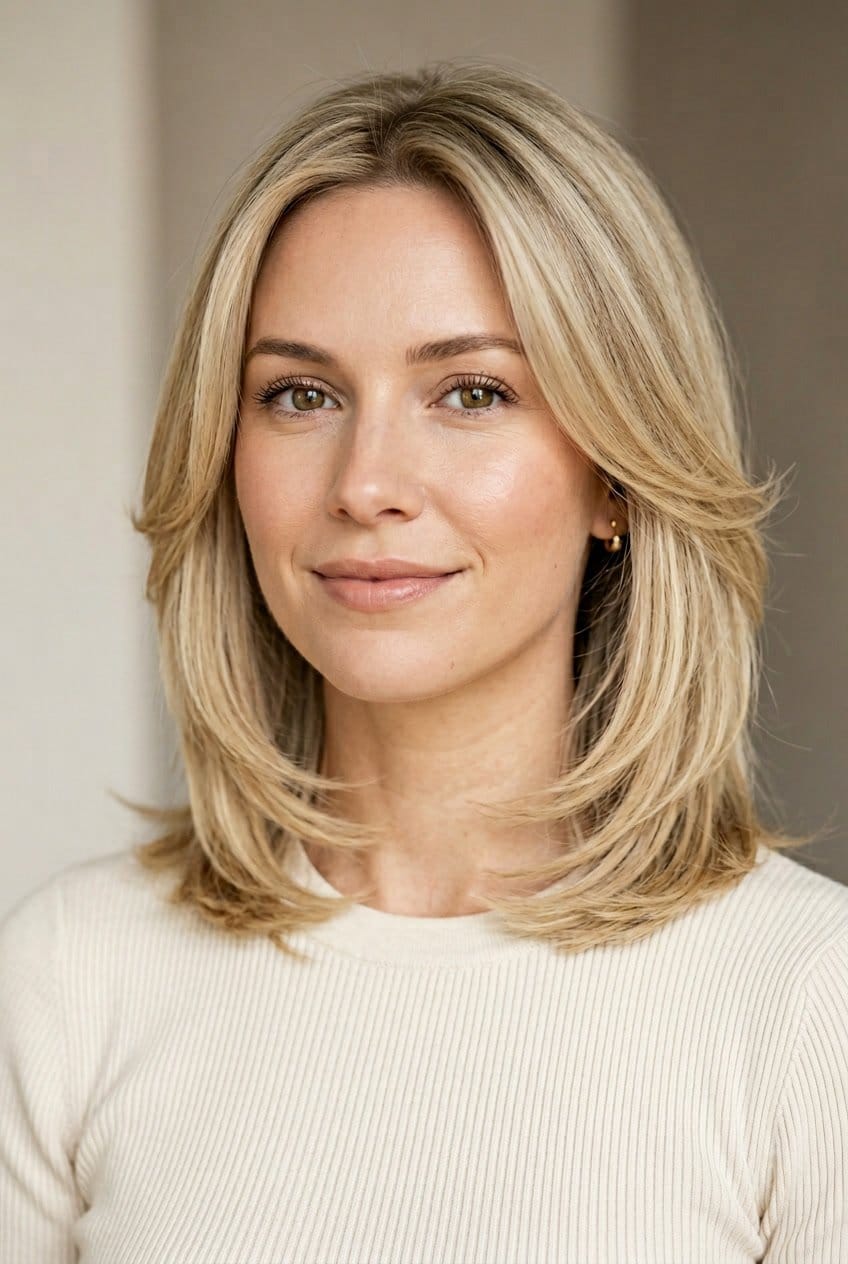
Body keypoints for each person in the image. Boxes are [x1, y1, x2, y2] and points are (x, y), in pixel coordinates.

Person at [1, 58, 846, 1264]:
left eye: (469, 391)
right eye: (300, 394)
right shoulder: (69, 973)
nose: (365, 485)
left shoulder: (806, 998)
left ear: (615, 473)